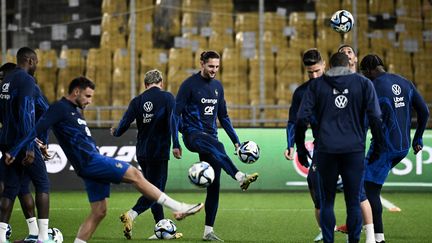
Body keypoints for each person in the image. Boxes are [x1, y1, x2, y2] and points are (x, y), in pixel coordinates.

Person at [5, 77, 204, 243]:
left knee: (99, 212)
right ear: (76, 91)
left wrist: (44, 144)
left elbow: (45, 131)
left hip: (89, 164)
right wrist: (15, 150)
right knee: (135, 174)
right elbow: (37, 128)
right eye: (88, 96)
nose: (90, 101)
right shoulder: (60, 108)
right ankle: (179, 208)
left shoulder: (74, 110)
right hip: (91, 161)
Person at [295, 52, 385, 243]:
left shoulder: (317, 86)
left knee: (327, 202)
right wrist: (378, 146)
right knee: (353, 202)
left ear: (329, 66)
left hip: (326, 151)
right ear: (348, 65)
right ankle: (354, 241)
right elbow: (376, 117)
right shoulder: (363, 84)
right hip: (354, 151)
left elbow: (301, 119)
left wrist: (301, 148)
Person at [172, 50, 259, 241]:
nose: (214, 70)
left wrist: (236, 142)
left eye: (217, 67)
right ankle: (239, 176)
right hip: (192, 135)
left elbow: (224, 117)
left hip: (210, 137)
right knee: (217, 146)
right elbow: (174, 115)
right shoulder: (189, 85)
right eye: (211, 66)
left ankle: (208, 231)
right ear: (201, 63)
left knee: (214, 184)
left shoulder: (218, 86)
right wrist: (176, 143)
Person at [359, 54, 429, 243]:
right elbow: (424, 111)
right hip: (404, 147)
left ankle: (377, 238)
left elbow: (366, 121)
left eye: (364, 73)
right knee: (372, 188)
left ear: (369, 70)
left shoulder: (372, 87)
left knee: (366, 190)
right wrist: (418, 136)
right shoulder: (405, 82)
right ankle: (360, 226)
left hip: (383, 148)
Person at [111, 69, 182, 240]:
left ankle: (161, 230)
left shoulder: (137, 101)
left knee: (153, 189)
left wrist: (115, 132)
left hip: (142, 152)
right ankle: (132, 214)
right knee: (156, 192)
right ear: (161, 82)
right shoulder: (167, 97)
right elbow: (173, 121)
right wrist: (176, 143)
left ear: (145, 85)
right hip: (159, 151)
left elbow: (123, 124)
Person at [0, 48, 53, 243]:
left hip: (6, 142)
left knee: (13, 187)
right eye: (36, 62)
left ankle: (2, 236)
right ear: (30, 61)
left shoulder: (5, 81)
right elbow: (27, 112)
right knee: (42, 184)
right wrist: (32, 144)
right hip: (23, 143)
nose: (36, 66)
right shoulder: (26, 80)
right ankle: (42, 237)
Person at [284, 48, 325, 242]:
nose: (314, 75)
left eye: (317, 70)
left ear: (324, 65)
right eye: (310, 72)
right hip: (322, 145)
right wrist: (291, 144)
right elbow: (293, 121)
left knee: (357, 189)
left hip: (347, 144)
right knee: (313, 183)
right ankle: (325, 228)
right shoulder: (301, 93)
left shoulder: (338, 86)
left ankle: (363, 228)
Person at [336, 44, 376, 243]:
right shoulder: (334, 82)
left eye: (349, 51)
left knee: (359, 191)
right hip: (339, 145)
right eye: (342, 52)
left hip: (356, 144)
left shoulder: (364, 82)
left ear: (355, 58)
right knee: (351, 191)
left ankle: (370, 236)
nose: (346, 54)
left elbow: (373, 113)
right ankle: (354, 227)